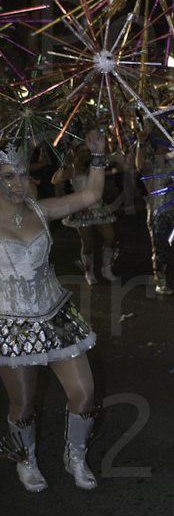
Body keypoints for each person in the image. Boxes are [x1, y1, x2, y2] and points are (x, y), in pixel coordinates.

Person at [0, 132, 106, 492]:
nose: (17, 184)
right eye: (7, 176)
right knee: (23, 403)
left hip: (56, 315)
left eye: (21, 174)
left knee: (85, 393)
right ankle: (25, 459)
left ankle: (75, 456)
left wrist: (98, 156)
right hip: (11, 324)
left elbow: (91, 195)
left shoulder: (41, 210)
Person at [135, 127, 174, 294]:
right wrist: (141, 143)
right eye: (166, 141)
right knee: (159, 249)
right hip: (157, 212)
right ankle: (160, 281)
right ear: (159, 144)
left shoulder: (170, 162)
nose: (170, 143)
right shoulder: (150, 164)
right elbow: (140, 166)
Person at [51, 140, 118, 285]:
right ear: (74, 153)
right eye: (81, 151)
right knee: (88, 244)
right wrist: (64, 164)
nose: (85, 154)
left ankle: (106, 268)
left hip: (98, 207)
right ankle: (89, 271)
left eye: (87, 151)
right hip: (81, 208)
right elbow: (55, 180)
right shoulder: (72, 169)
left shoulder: (94, 165)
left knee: (111, 238)